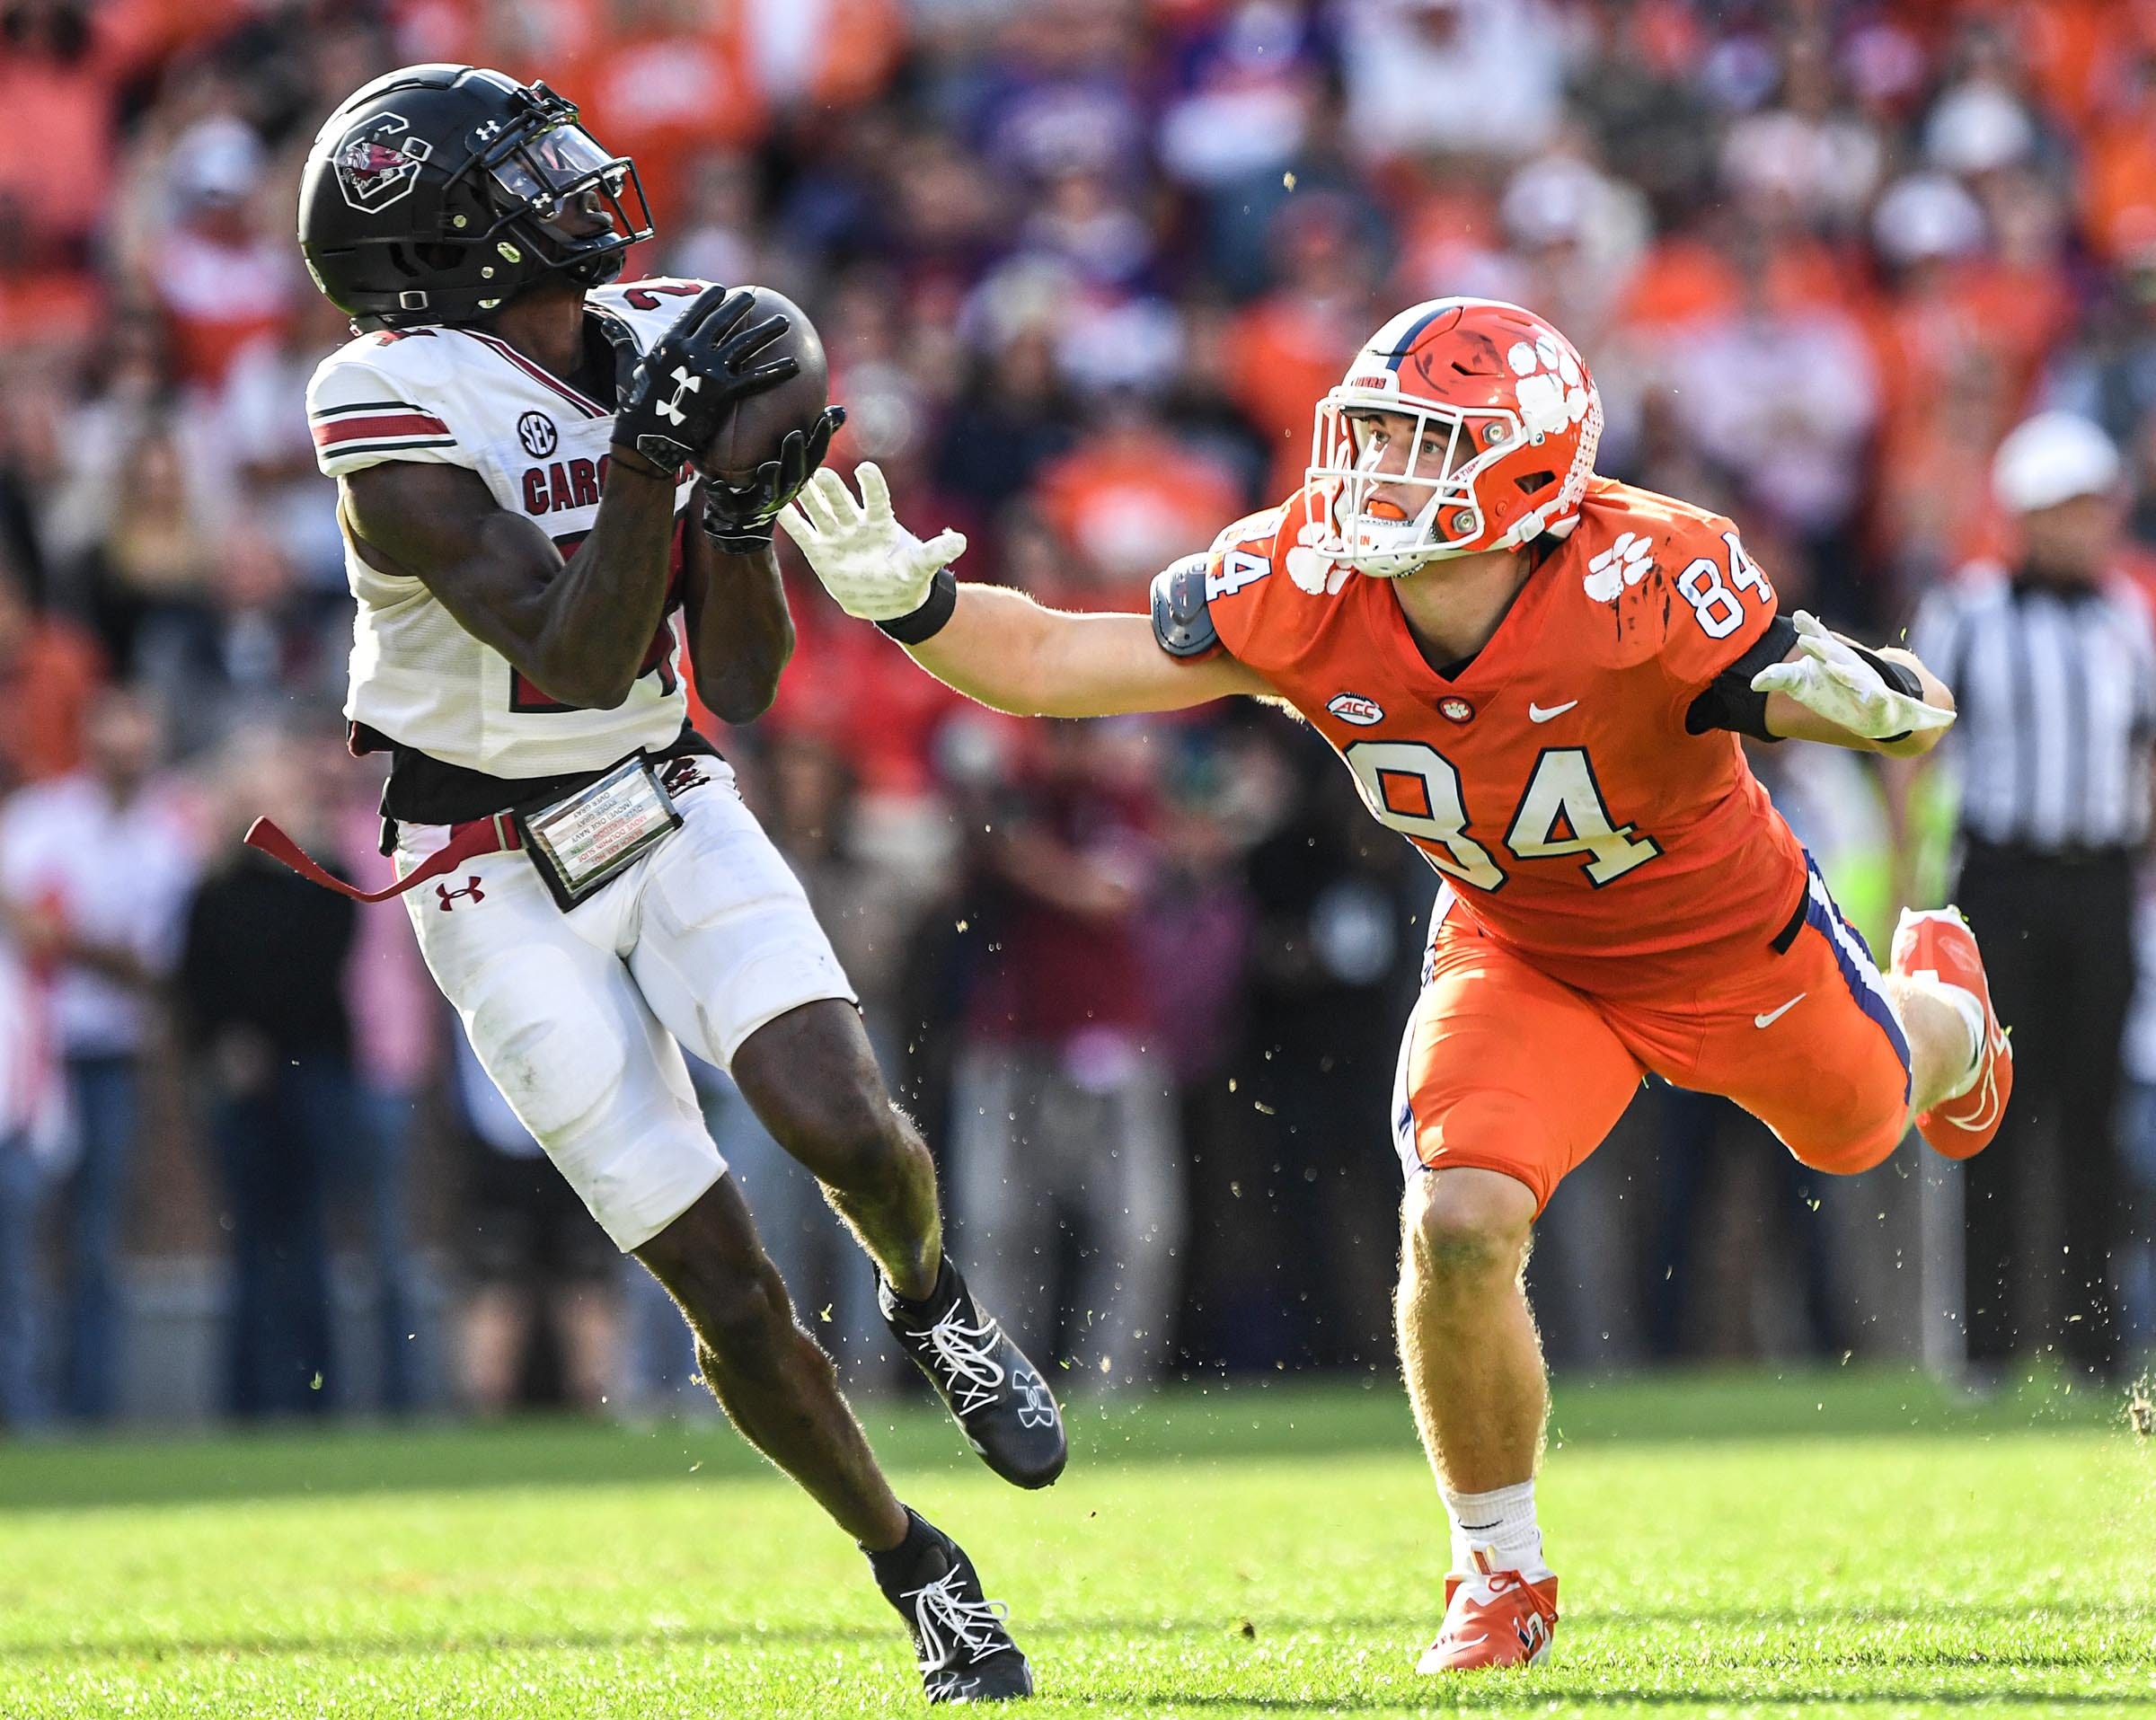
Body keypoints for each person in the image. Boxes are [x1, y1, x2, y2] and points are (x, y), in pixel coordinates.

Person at [778, 296, 2011, 1674]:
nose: (1378, 474)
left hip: (1726, 943)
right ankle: (1498, 1566)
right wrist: (919, 604)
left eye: (1423, 443)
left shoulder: (1641, 567)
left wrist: (1867, 691)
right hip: (1522, 946)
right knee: (1461, 1217)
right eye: (1368, 434)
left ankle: (1945, 1005)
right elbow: (1062, 659)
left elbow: (1808, 684)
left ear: (1531, 467)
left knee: (1865, 1120)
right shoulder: (1310, 581)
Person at [259, 65, 1056, 1704]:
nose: (578, 182)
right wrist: (652, 464)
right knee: (721, 1280)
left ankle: (933, 1301)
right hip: (483, 865)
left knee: (850, 1126)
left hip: (662, 791)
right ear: (443, 244)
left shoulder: (663, 333)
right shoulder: (386, 400)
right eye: (525, 171)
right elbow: (568, 650)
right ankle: (916, 1565)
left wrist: (740, 505)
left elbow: (741, 687)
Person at [1908, 411, 2153, 1382]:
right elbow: (1914, 747)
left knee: (2092, 1113)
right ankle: (1987, 1348)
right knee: (1990, 1114)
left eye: (2097, 506)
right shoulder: (1967, 611)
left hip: (2099, 882)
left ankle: (2096, 1345)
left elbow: (2144, 750)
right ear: (2027, 515)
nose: (2088, 526)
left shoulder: (2124, 616)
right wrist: (1912, 877)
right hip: (2000, 880)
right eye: (2068, 508)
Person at [0, 688, 197, 1423]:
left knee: (95, 1236)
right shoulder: (43, 817)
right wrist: (97, 949)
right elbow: (27, 933)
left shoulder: (165, 833)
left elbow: (154, 964)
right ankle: (27, 1402)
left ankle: (88, 1406)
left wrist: (71, 940)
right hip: (33, 1052)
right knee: (21, 1227)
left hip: (108, 1052)